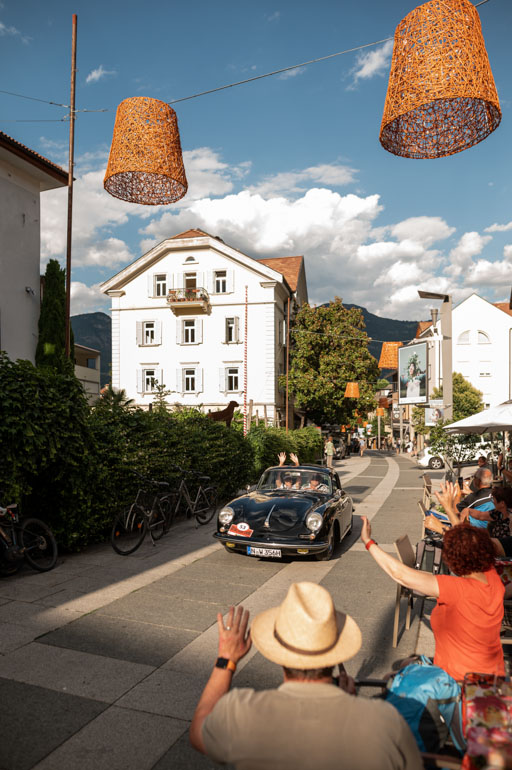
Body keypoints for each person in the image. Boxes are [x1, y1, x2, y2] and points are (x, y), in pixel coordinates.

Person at [190, 582, 423, 769]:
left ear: (279, 654)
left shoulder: (240, 712)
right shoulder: (386, 722)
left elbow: (199, 730)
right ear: (334, 655)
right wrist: (349, 702)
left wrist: (226, 661)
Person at [361, 502, 505, 682]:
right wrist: (449, 507)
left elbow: (401, 574)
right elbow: (468, 542)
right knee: (408, 663)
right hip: (494, 679)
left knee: (392, 677)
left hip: (458, 681)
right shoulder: (492, 578)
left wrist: (368, 541)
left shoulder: (456, 589)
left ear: (454, 558)